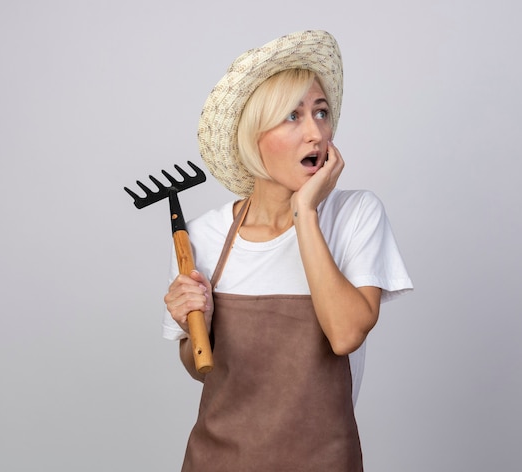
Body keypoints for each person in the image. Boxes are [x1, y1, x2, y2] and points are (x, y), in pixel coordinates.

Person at [162, 30, 413, 471]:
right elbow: (198, 365)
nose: (316, 132)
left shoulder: (356, 215)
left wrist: (305, 211)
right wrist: (194, 321)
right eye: (292, 117)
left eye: (321, 112)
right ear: (253, 136)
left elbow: (345, 334)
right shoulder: (204, 236)